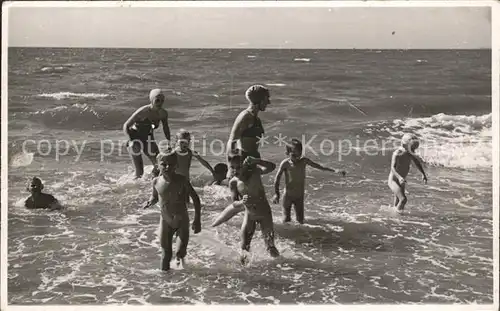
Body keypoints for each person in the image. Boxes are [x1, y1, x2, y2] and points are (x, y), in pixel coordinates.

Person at [212, 154, 280, 264]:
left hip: (264, 214)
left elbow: (272, 167)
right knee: (244, 248)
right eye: (232, 167)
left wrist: (257, 160)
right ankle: (244, 272)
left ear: (244, 165)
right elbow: (234, 203)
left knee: (270, 246)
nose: (235, 170)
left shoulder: (255, 172)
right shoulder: (233, 182)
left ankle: (280, 267)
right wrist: (241, 202)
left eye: (238, 167)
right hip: (250, 216)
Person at [142, 150, 202, 271]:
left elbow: (195, 199)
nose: (167, 166)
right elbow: (155, 197)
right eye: (164, 164)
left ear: (177, 165)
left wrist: (197, 220)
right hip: (165, 220)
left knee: (180, 252)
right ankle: (165, 282)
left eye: (171, 164)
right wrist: (149, 202)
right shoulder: (156, 181)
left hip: (181, 220)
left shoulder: (182, 180)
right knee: (166, 254)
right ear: (158, 165)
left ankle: (182, 276)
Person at [272, 139, 346, 224]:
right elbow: (277, 178)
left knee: (300, 221)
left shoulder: (304, 161)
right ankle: (287, 236)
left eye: (299, 154)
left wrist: (335, 170)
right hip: (288, 196)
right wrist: (277, 194)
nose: (297, 157)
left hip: (299, 196)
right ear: (287, 153)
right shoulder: (285, 163)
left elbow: (319, 167)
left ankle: (301, 236)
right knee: (286, 220)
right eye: (294, 155)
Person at [123, 89, 171, 179]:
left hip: (148, 139)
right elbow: (126, 125)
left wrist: (169, 142)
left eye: (162, 101)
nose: (160, 103)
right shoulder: (143, 111)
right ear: (151, 100)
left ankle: (151, 185)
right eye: (157, 100)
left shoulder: (163, 114)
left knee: (159, 166)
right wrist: (130, 140)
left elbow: (166, 128)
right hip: (135, 138)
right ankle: (133, 187)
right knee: (140, 172)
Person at [226, 85, 271, 178]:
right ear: (259, 101)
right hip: (243, 164)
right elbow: (232, 141)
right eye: (267, 99)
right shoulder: (245, 117)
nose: (269, 102)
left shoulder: (256, 119)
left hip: (252, 163)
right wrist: (231, 168)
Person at [388, 133, 428, 213]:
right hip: (394, 180)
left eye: (414, 149)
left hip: (402, 180)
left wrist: (423, 174)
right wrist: (399, 177)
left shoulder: (409, 153)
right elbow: (393, 168)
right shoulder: (397, 153)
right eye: (412, 148)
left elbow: (417, 162)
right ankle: (397, 216)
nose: (414, 151)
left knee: (398, 200)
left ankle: (395, 218)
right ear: (404, 145)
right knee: (403, 199)